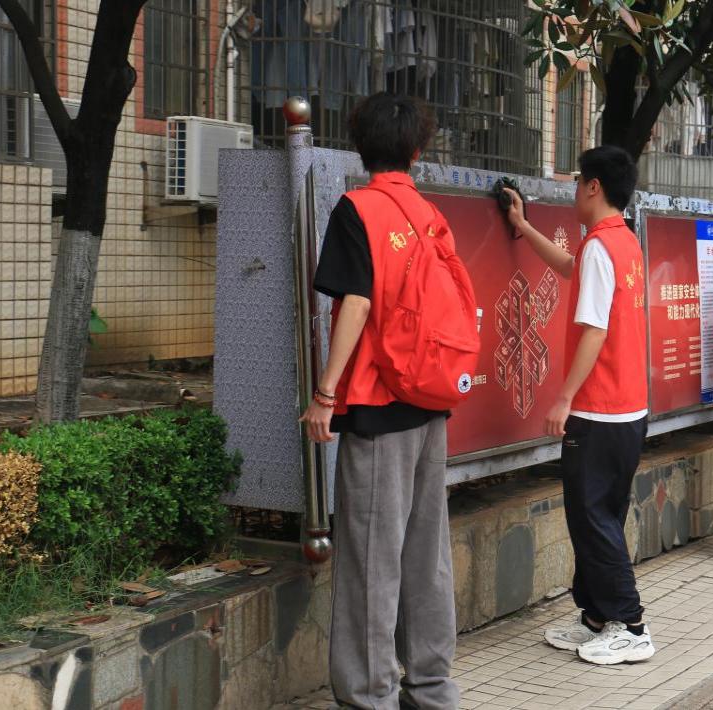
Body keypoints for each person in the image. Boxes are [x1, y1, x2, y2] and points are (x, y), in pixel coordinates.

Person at [300, 92, 460, 709]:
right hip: (429, 402)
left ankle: (370, 698)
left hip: (376, 405)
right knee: (427, 557)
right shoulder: (429, 213)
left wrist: (324, 394)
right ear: (417, 152)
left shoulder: (357, 208)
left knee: (371, 562)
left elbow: (357, 304)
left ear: (360, 148)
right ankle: (433, 690)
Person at [503, 146, 655, 666]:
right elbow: (570, 267)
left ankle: (631, 626)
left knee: (592, 521)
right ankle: (595, 616)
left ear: (593, 186)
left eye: (576, 183)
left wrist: (564, 397)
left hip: (597, 409)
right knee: (602, 517)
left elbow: (594, 329)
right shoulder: (622, 241)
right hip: (628, 410)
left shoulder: (600, 247)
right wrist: (523, 227)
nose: (573, 192)